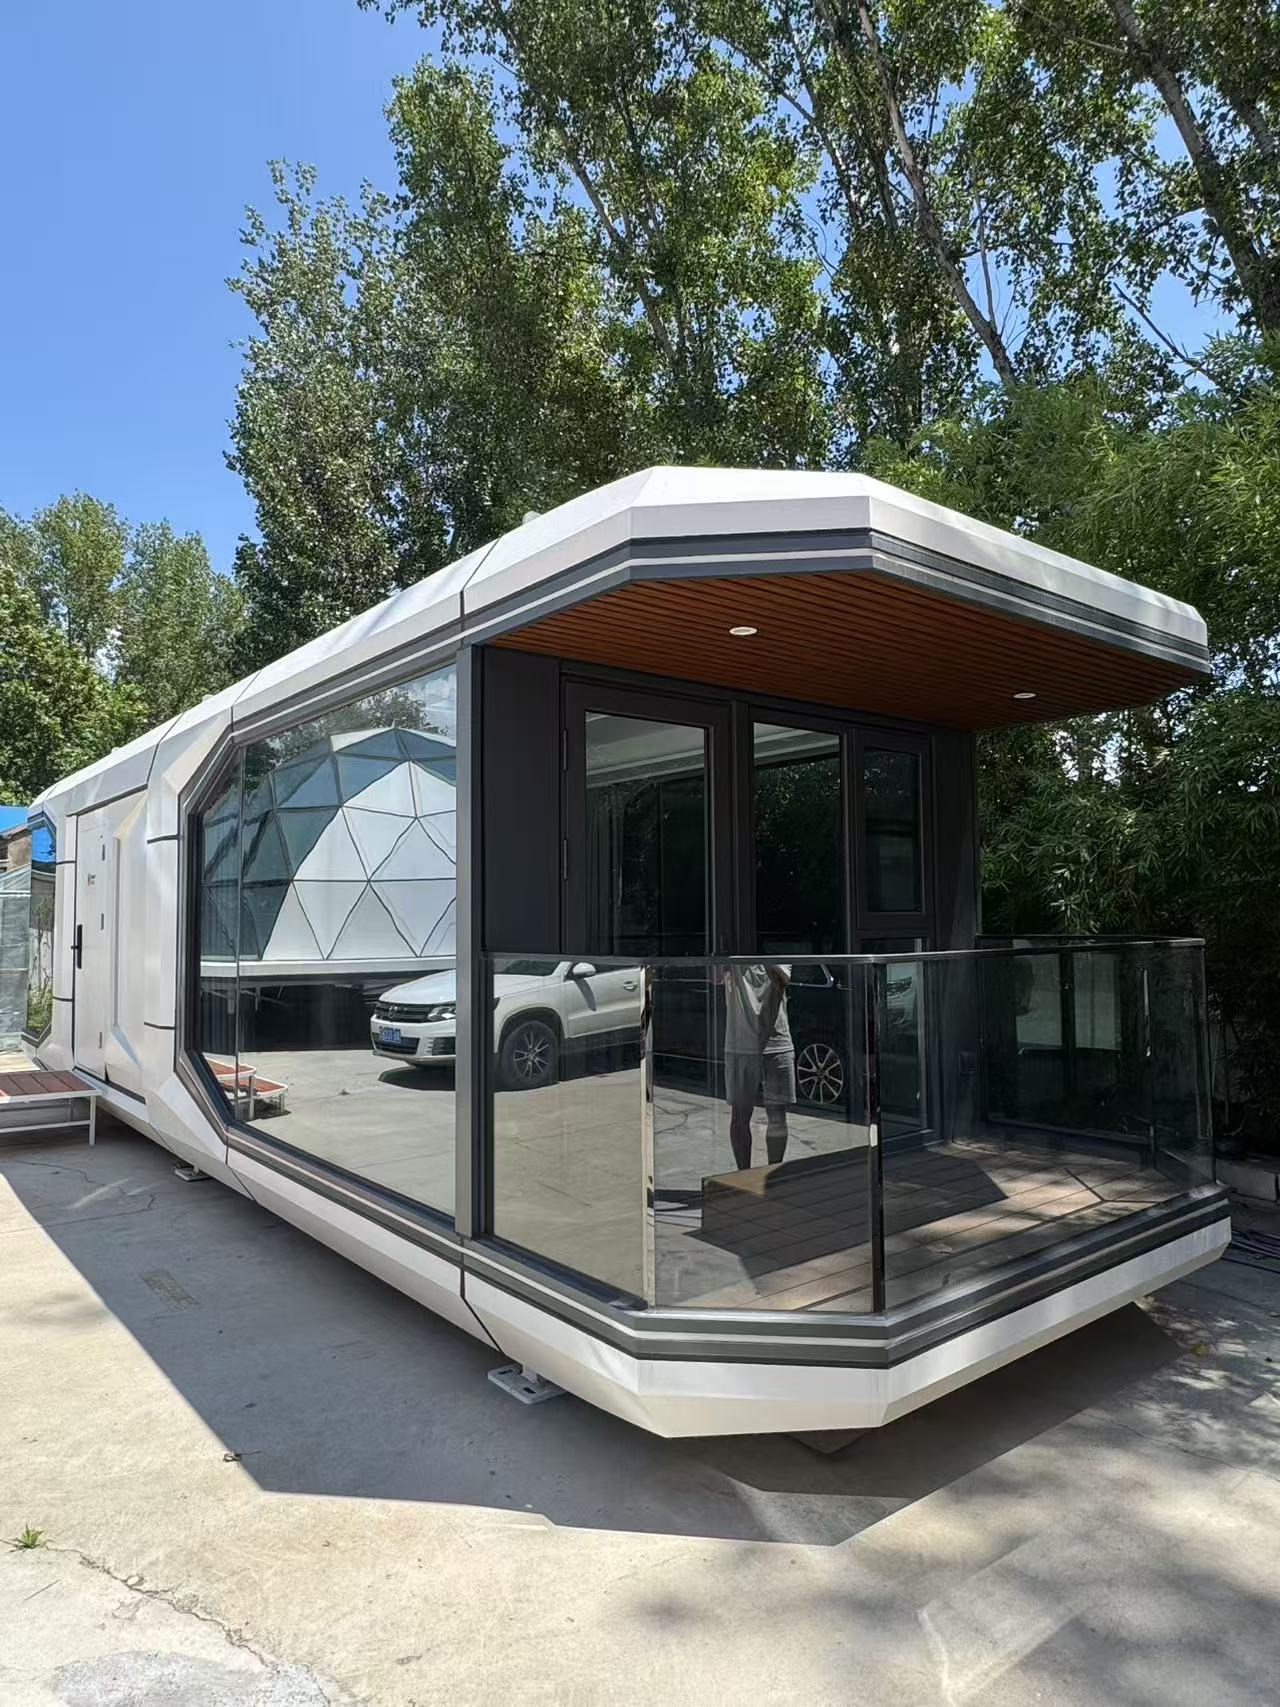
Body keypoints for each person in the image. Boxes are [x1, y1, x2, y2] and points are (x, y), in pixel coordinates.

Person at [723, 962, 795, 1170]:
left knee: (777, 1114)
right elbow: (716, 977)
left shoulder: (774, 947)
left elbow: (783, 978)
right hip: (740, 1044)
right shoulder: (732, 950)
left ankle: (774, 1173)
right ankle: (743, 1176)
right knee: (740, 1115)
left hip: (776, 1041)